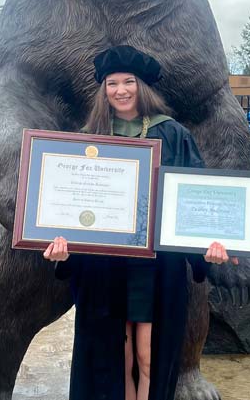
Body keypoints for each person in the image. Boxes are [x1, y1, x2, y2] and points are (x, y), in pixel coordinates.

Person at [44, 45, 238, 400]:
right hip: (103, 266)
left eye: (128, 81)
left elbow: (195, 197)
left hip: (156, 266)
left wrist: (210, 243)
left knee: (150, 354)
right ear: (103, 90)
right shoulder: (88, 138)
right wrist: (62, 246)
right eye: (112, 83)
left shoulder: (173, 134)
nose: (120, 90)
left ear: (141, 85)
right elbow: (70, 205)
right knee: (112, 354)